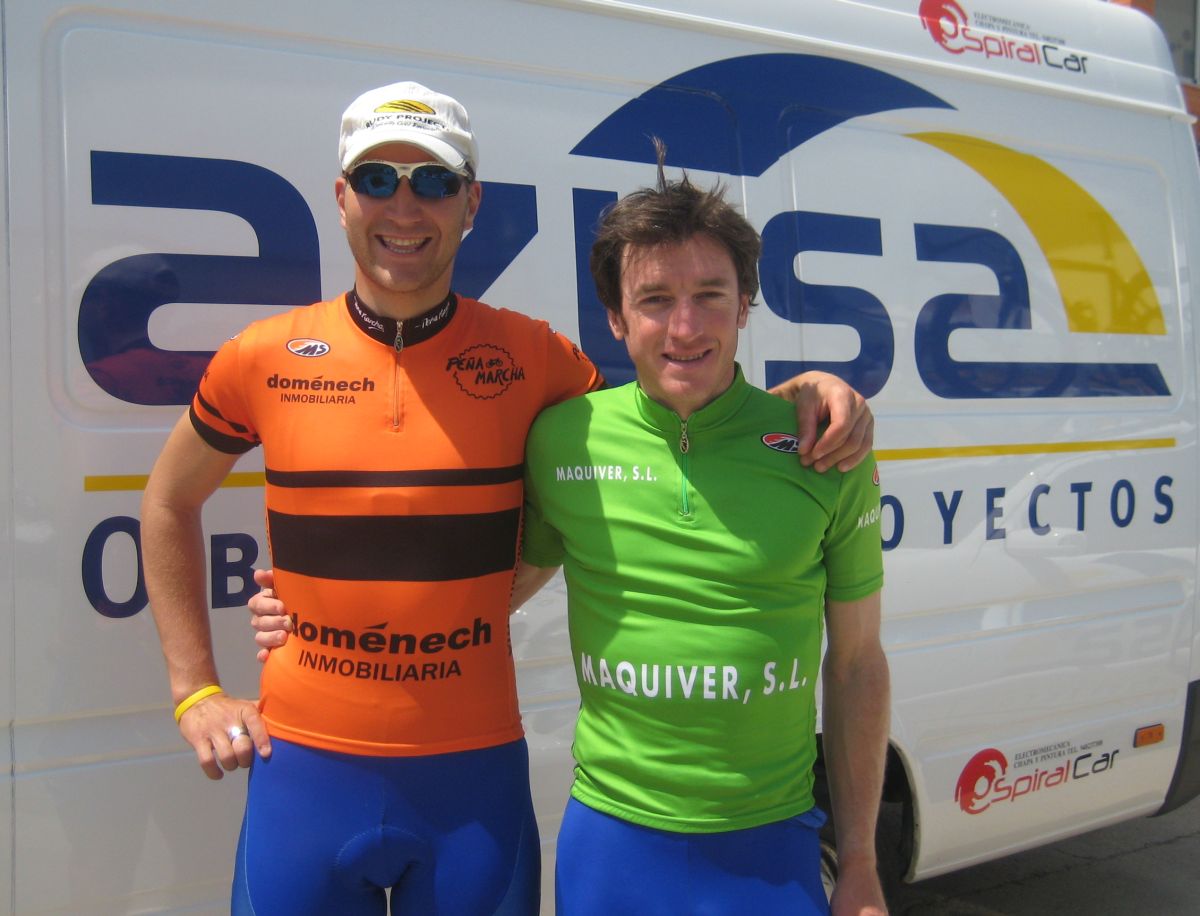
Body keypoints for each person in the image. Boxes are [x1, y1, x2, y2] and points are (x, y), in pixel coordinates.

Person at [144, 80, 874, 915]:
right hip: (304, 771)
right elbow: (167, 502)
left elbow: (679, 412)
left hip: (473, 785)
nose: (405, 206)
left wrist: (801, 396)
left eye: (434, 181)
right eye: (378, 179)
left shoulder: (533, 359)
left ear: (471, 203)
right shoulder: (263, 356)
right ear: (342, 197)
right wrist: (196, 690)